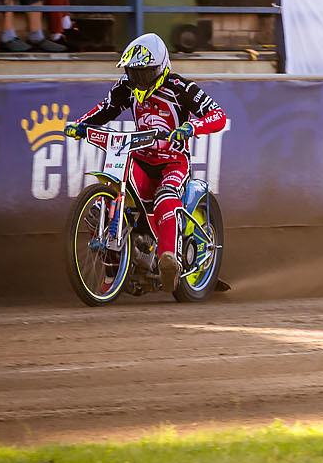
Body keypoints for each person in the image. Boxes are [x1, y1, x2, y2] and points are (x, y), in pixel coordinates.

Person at [62, 34, 230, 294]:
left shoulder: (180, 88)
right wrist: (81, 125)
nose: (138, 80)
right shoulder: (126, 87)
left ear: (162, 68)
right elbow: (106, 109)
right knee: (110, 195)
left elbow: (218, 116)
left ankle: (168, 260)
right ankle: (116, 265)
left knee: (165, 197)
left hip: (173, 163)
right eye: (133, 73)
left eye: (145, 73)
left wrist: (190, 127)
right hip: (139, 156)